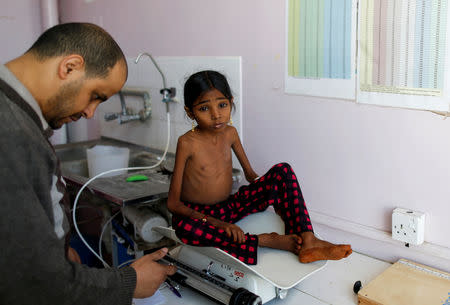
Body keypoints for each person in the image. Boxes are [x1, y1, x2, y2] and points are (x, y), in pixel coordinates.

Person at [0, 23, 176, 304]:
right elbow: (32, 282)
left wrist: (58, 251)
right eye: (96, 95)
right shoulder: (10, 132)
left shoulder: (17, 116)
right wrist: (128, 282)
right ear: (70, 67)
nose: (90, 112)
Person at [167, 70, 352, 265]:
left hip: (228, 207)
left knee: (283, 170)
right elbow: (173, 204)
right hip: (200, 215)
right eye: (204, 108)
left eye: (222, 105)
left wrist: (272, 188)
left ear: (230, 101)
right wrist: (218, 223)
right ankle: (265, 240)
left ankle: (308, 239)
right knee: (184, 229)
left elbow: (250, 175)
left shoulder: (230, 133)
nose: (216, 115)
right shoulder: (187, 143)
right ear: (190, 112)